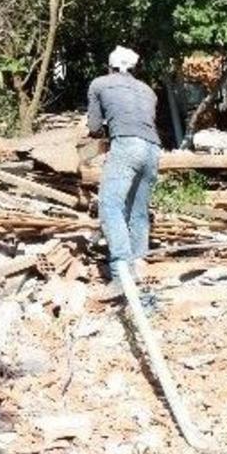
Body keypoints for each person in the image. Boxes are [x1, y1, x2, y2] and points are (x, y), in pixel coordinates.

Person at [87, 46, 161, 282]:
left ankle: (121, 270)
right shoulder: (148, 90)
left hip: (127, 146)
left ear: (109, 67)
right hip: (153, 148)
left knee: (110, 205)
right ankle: (139, 263)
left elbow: (94, 128)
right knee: (138, 211)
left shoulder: (99, 84)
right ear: (134, 68)